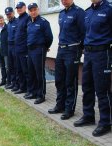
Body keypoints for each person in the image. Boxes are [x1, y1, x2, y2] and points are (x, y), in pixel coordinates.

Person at [74, 0, 112, 137]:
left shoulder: (109, 9)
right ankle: (88, 116)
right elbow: (85, 33)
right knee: (87, 86)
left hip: (102, 53)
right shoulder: (88, 12)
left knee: (102, 89)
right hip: (88, 54)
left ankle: (106, 122)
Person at [48, 0, 85, 119]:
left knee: (70, 81)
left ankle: (69, 109)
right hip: (61, 49)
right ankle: (60, 105)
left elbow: (84, 33)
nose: (64, 1)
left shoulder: (79, 12)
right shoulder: (61, 13)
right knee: (59, 80)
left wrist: (80, 49)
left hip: (72, 50)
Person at [26, 3, 53, 104]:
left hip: (39, 50)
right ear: (29, 12)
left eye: (34, 10)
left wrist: (45, 47)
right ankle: (33, 92)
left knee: (39, 73)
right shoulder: (29, 23)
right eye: (31, 10)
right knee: (31, 72)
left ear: (38, 10)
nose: (33, 12)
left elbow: (49, 37)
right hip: (30, 50)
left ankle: (41, 95)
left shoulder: (44, 22)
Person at [14, 2, 30, 96]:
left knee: (26, 71)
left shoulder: (27, 18)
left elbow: (28, 34)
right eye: (17, 8)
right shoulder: (19, 19)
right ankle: (22, 87)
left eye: (20, 7)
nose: (18, 9)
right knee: (19, 70)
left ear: (25, 8)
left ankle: (29, 89)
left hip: (24, 49)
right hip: (17, 49)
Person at [5, 7, 18, 91]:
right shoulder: (8, 24)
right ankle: (13, 83)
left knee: (16, 67)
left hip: (15, 46)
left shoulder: (17, 22)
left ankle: (17, 84)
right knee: (11, 67)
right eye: (7, 14)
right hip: (9, 46)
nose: (8, 15)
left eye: (9, 14)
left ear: (13, 13)